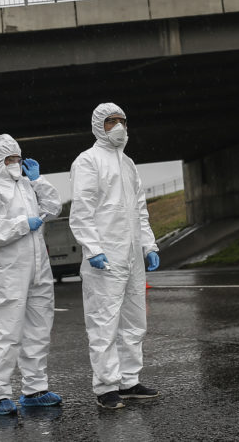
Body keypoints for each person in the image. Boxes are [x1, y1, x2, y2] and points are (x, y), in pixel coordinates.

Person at [70, 102, 161, 410]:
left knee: (135, 320)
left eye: (123, 120)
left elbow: (140, 209)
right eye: (112, 121)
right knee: (104, 322)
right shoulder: (88, 161)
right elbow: (81, 210)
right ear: (99, 125)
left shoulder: (128, 163)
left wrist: (148, 245)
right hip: (105, 256)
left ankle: (129, 380)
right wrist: (93, 249)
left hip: (133, 254)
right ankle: (106, 386)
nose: (119, 126)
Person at [0, 134, 64, 416]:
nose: (15, 164)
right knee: (6, 331)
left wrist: (39, 181)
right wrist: (24, 223)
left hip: (39, 266)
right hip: (11, 268)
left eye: (18, 159)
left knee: (39, 329)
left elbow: (53, 209)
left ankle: (35, 389)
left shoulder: (27, 186)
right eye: (9, 159)